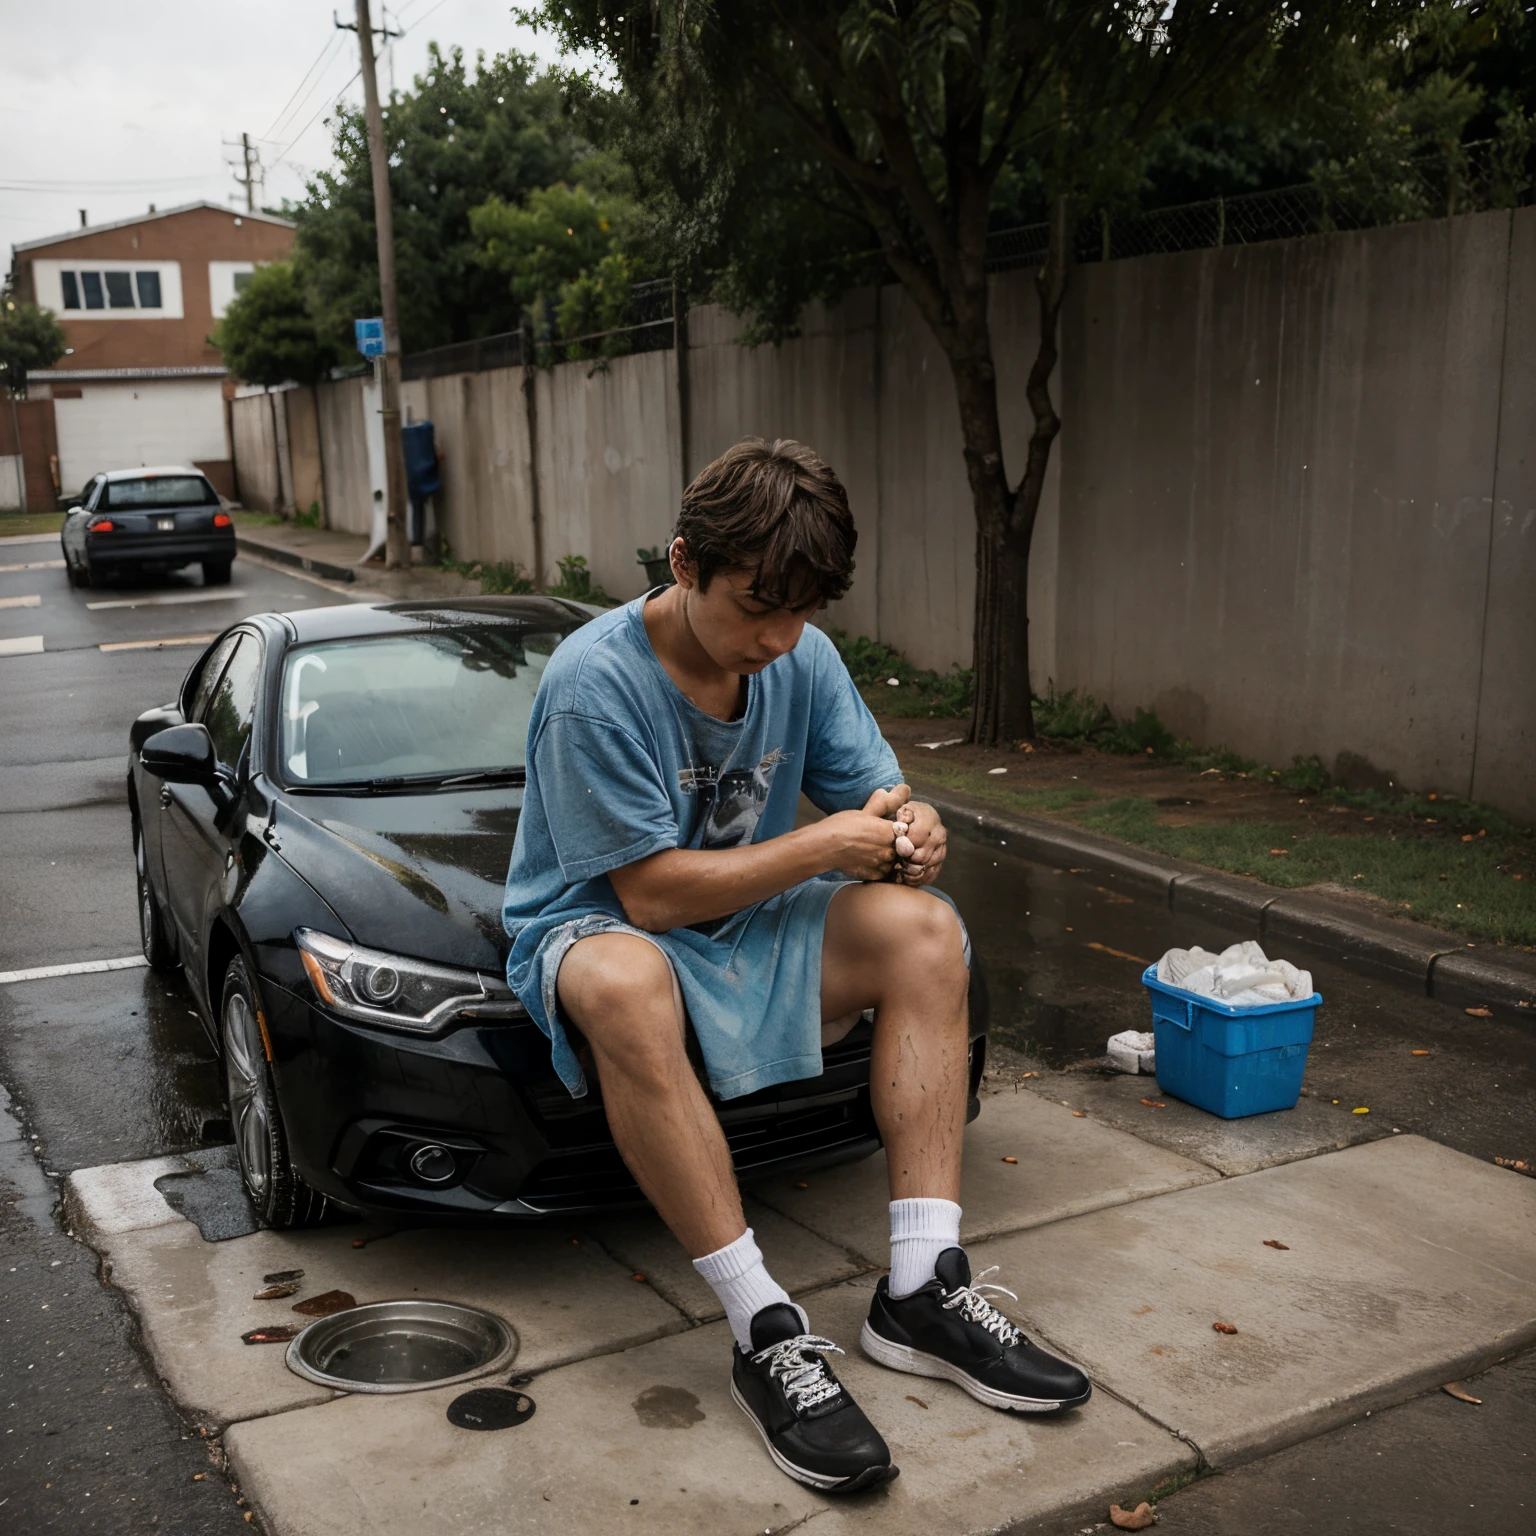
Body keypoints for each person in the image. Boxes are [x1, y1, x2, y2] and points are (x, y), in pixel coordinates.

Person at [503, 438, 1089, 1494]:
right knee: (622, 981)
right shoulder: (594, 682)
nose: (778, 638)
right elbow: (650, 896)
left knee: (926, 927)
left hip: (750, 916)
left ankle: (921, 1288)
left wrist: (916, 829)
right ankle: (764, 1326)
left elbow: (880, 795)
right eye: (758, 607)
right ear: (684, 564)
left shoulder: (800, 656)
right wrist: (824, 848)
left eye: (803, 612)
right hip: (605, 923)